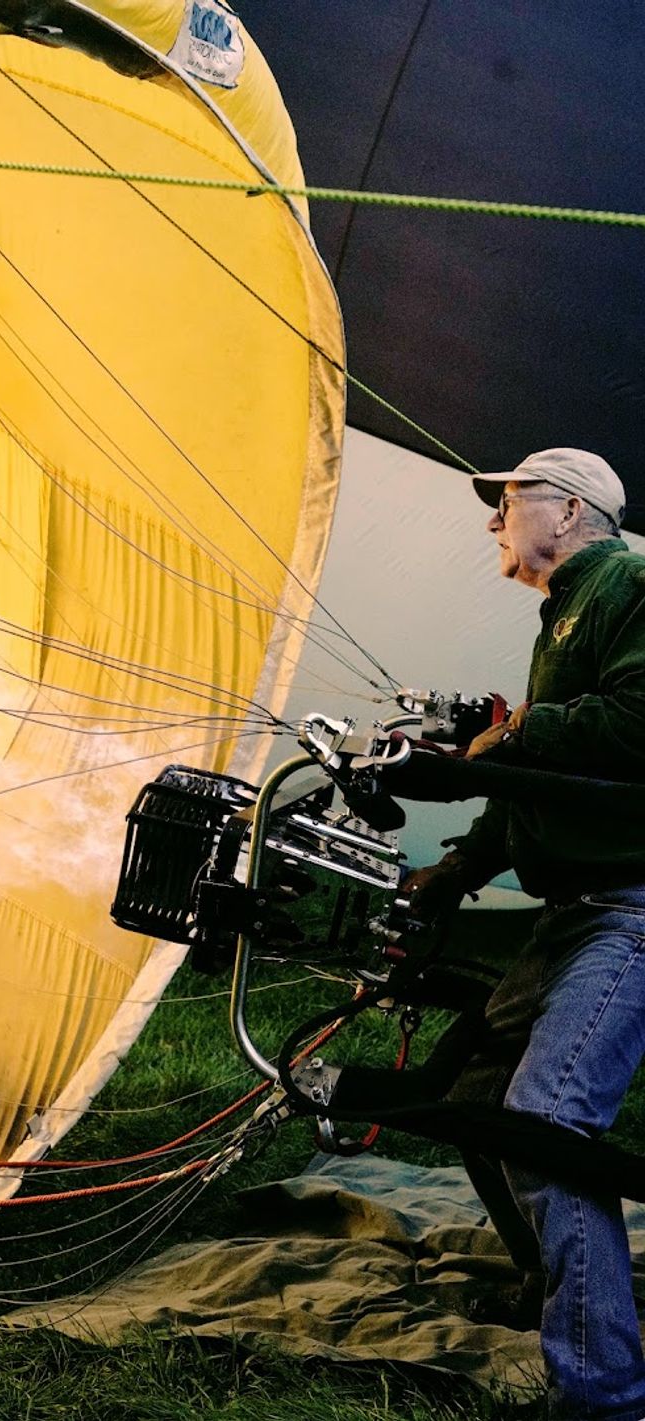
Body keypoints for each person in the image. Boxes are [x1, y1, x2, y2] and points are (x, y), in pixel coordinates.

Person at [405, 447, 645, 1421]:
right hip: (570, 909)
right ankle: (558, 1289)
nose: (490, 521)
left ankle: (601, 1394)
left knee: (543, 1119)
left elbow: (634, 720)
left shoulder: (625, 582)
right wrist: (450, 872)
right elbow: (528, 790)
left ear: (567, 507)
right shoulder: (563, 619)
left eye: (503, 502)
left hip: (628, 903)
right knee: (475, 1097)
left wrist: (505, 737)